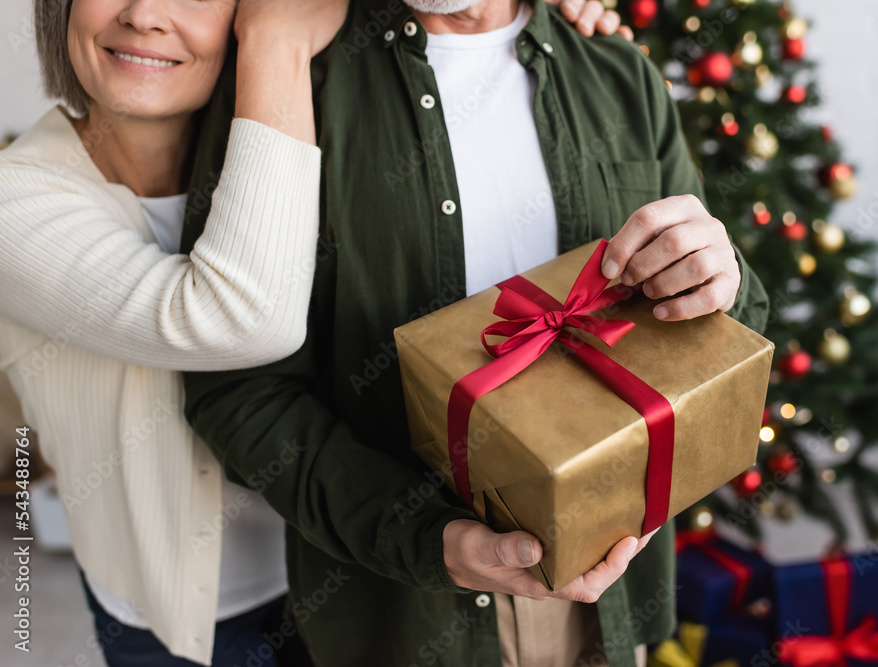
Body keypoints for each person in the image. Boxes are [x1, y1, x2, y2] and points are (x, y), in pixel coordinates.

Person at [0, 1, 631, 665]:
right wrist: (275, 37)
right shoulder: (16, 204)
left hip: (354, 579)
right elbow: (245, 320)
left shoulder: (308, 118)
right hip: (190, 623)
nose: (145, 15)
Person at [181, 0, 771, 665]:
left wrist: (723, 279)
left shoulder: (616, 70)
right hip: (399, 621)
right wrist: (428, 538)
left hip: (606, 607)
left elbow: (717, 320)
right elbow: (236, 390)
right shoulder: (287, 76)